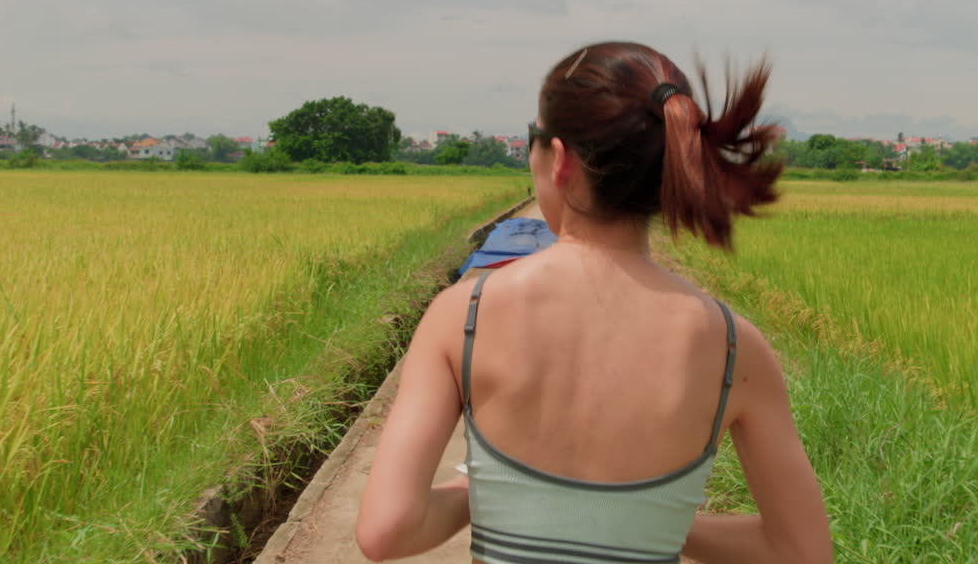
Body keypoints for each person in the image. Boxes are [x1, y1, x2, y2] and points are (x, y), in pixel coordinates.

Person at [356, 42, 832, 563]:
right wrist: (656, 519)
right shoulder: (734, 347)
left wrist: (486, 492)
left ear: (559, 159)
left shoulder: (462, 315)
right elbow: (802, 551)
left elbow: (387, 531)